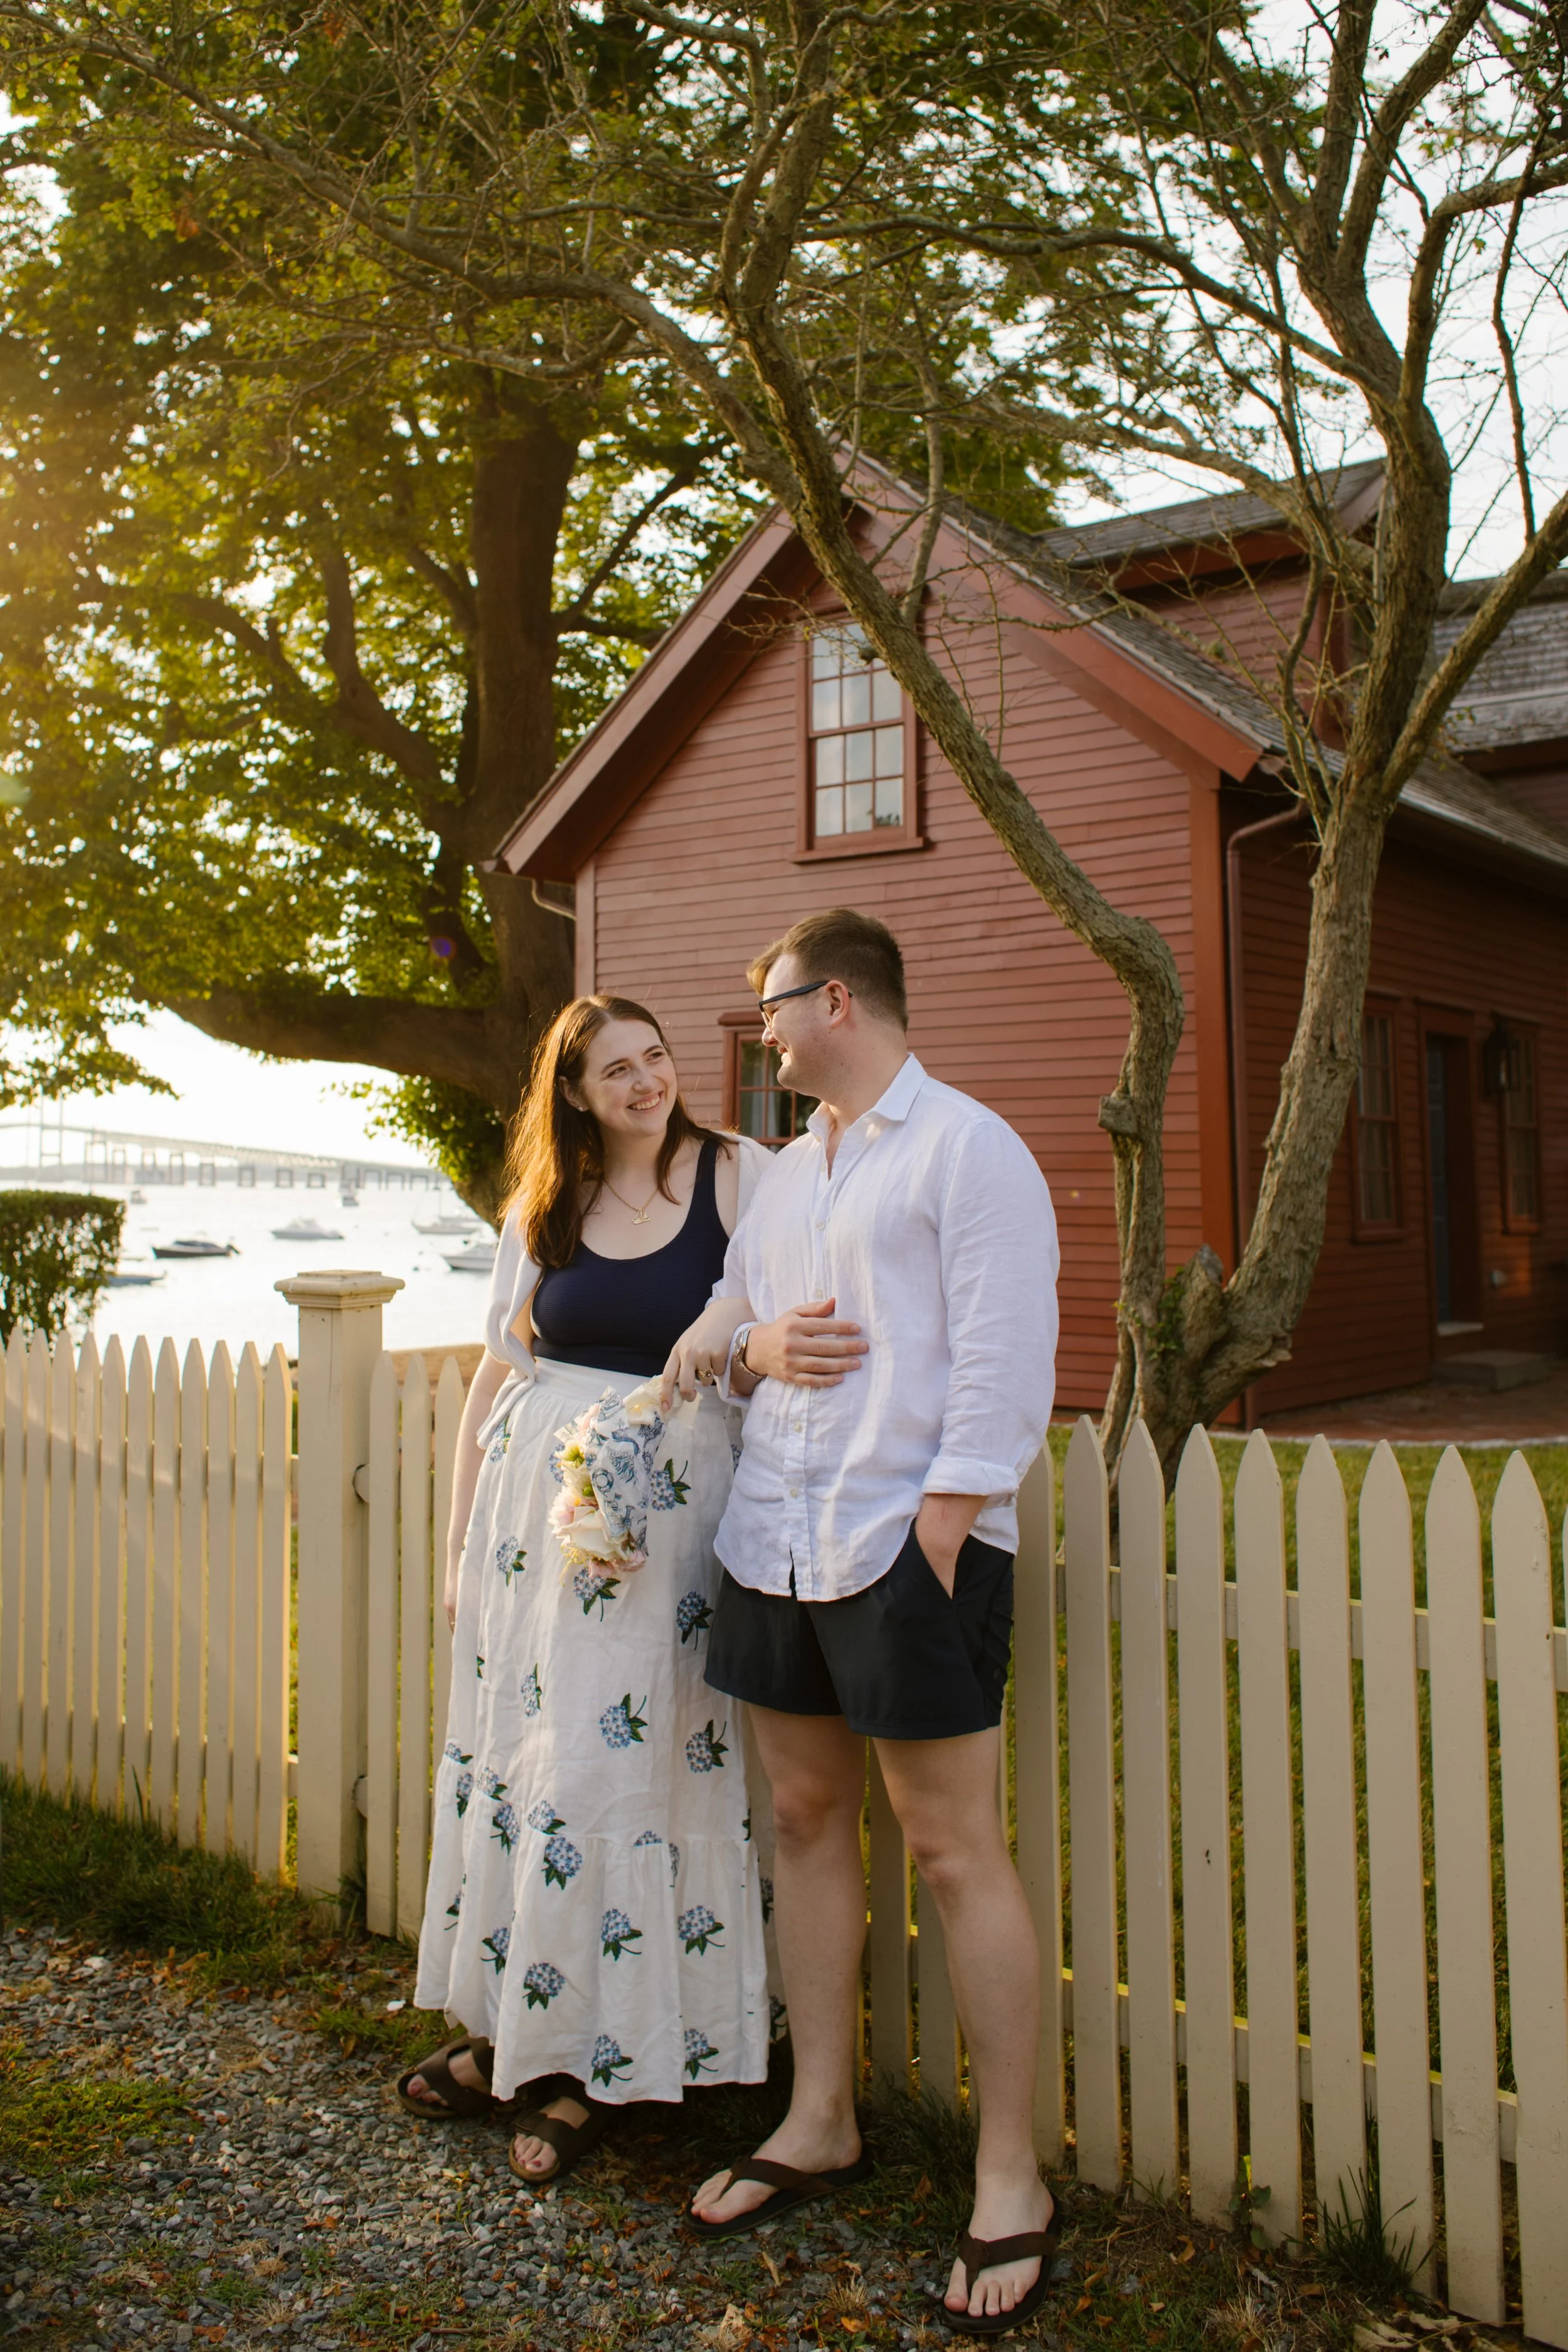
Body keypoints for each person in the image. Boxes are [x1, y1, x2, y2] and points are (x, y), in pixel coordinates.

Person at [662, 910, 1060, 2337]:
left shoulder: (968, 1150)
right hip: (773, 1534)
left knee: (953, 1852)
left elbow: (1009, 1363)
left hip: (905, 1543)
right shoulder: (783, 1176)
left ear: (835, 997)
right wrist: (745, 1343)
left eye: (767, 1006)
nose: (756, 1031)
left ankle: (1009, 2176)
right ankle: (818, 2117)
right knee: (804, 1821)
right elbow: (720, 1319)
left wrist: (939, 1535)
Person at [397, 993, 775, 2185]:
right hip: (536, 1526)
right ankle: (526, 2030)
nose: (645, 1082)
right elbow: (495, 1380)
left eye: (655, 1058)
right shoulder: (544, 1205)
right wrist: (462, 1549)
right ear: (574, 1092)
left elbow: (770, 1294)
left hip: (673, 1525)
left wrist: (723, 1313)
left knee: (637, 1768)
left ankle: (607, 2059)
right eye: (615, 1069)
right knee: (544, 1758)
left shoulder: (735, 1174)